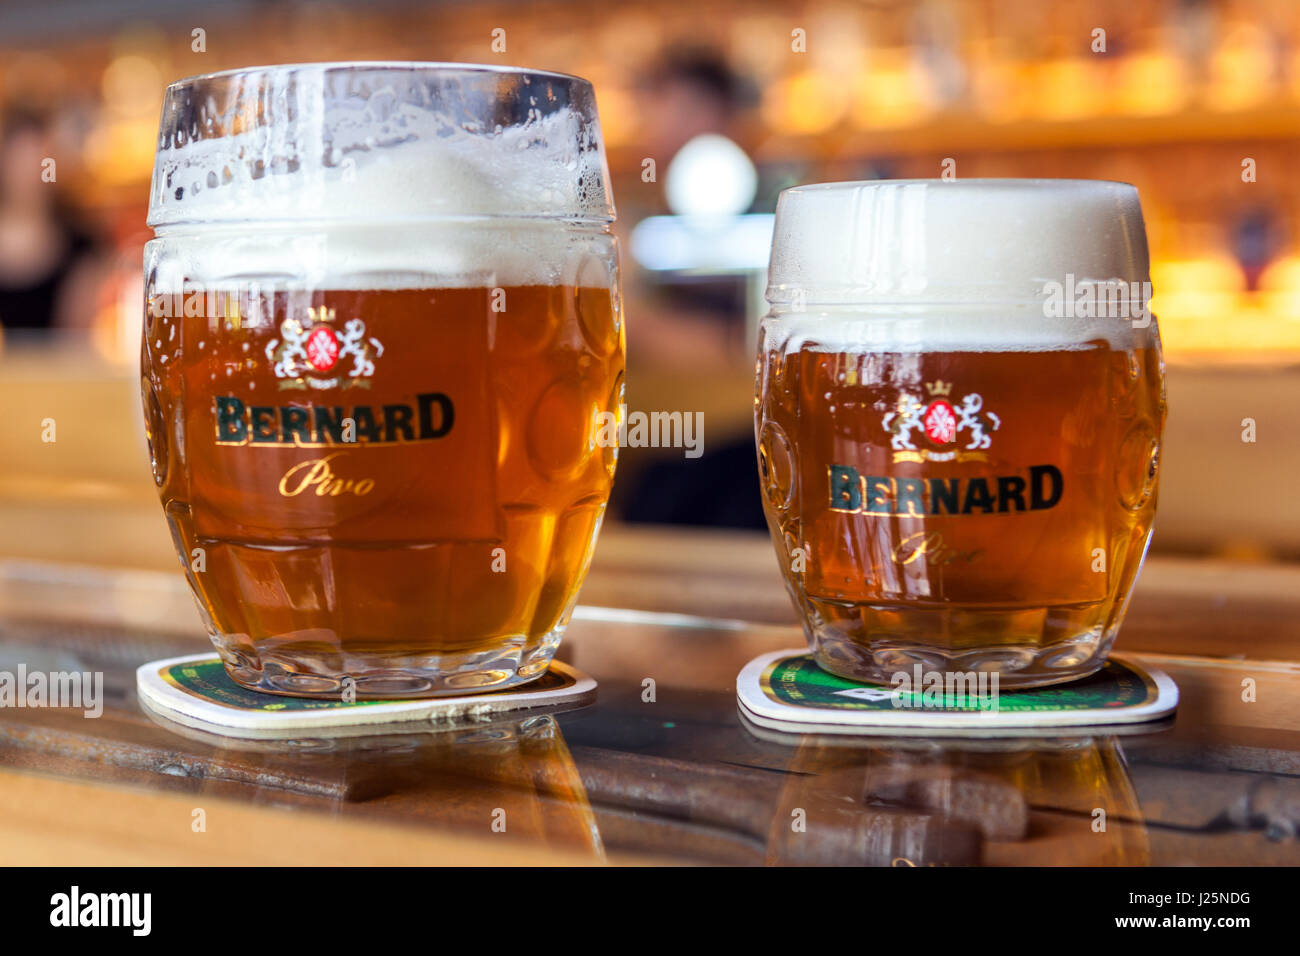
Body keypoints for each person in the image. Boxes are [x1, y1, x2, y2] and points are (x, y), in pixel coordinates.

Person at [0, 108, 103, 338]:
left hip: (57, 373)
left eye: (40, 164)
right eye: (20, 162)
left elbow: (76, 340)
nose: (29, 177)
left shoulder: (82, 248)